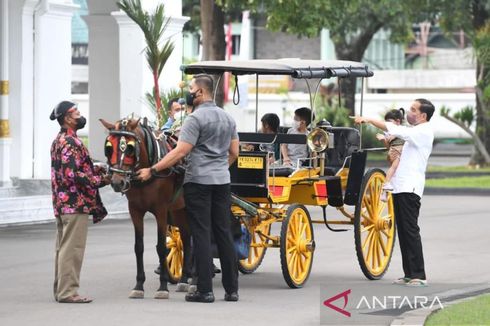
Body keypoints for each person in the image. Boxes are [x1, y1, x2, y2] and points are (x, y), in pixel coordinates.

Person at [137, 74, 240, 303]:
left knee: (201, 233)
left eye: (191, 88)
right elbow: (234, 153)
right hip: (222, 182)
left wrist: (152, 170)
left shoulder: (195, 119)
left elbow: (180, 151)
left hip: (199, 182)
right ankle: (232, 290)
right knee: (222, 232)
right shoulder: (227, 118)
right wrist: (220, 168)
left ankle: (205, 290)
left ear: (200, 92)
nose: (188, 93)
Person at [351, 98, 435, 287]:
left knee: (410, 230)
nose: (409, 112)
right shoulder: (415, 131)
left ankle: (419, 275)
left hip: (410, 187)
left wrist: (369, 120)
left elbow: (396, 130)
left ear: (423, 115)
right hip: (400, 186)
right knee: (403, 231)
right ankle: (409, 274)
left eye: (413, 110)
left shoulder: (423, 131)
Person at [49, 101, 110, 303]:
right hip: (74, 203)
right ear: (67, 118)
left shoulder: (59, 140)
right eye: (76, 113)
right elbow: (73, 174)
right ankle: (68, 293)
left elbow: (74, 168)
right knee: (72, 249)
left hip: (63, 203)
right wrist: (101, 180)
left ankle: (61, 290)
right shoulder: (70, 142)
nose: (80, 116)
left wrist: (95, 167)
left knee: (64, 248)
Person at [376, 108, 406, 201]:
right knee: (393, 168)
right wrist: (384, 139)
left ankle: (384, 193)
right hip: (396, 150)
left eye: (389, 122)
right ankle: (386, 184)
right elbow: (389, 145)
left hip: (397, 150)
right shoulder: (391, 131)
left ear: (397, 121)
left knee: (394, 173)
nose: (387, 124)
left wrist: (390, 136)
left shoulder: (400, 129)